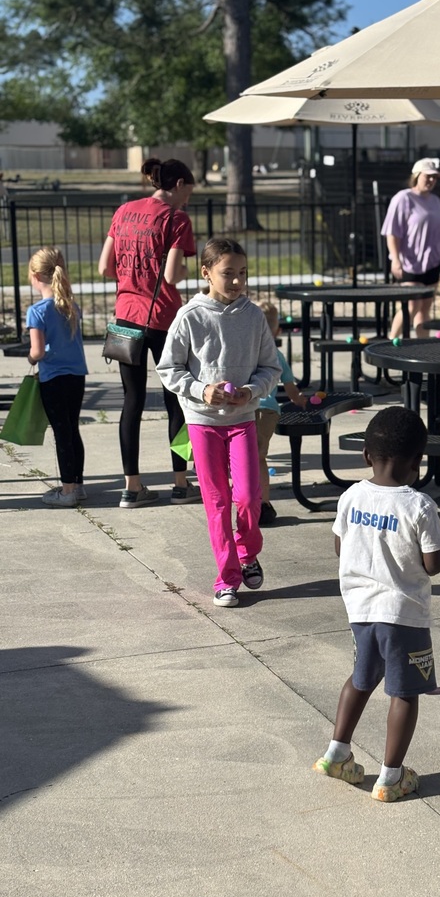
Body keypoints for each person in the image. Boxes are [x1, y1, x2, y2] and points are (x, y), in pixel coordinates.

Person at [313, 406, 440, 803]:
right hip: (403, 614)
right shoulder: (419, 506)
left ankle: (336, 753)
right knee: (404, 692)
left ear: (366, 455)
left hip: (360, 610)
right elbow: (434, 564)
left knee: (361, 679)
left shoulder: (351, 496)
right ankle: (391, 777)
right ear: (418, 461)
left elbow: (340, 547)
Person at [156, 237, 281, 608]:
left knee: (248, 497)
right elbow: (169, 368)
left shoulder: (253, 316)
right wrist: (200, 390)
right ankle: (226, 579)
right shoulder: (190, 316)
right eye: (229, 273)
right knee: (217, 501)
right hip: (202, 422)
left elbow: (271, 368)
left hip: (243, 418)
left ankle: (247, 553)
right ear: (206, 273)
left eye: (243, 272)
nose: (238, 281)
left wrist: (251, 390)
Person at [98, 157, 200, 508]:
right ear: (178, 185)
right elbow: (171, 275)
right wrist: (184, 271)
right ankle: (180, 483)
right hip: (163, 318)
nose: (188, 199)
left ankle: (132, 487)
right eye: (188, 191)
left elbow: (105, 267)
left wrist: (134, 277)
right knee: (176, 400)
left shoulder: (124, 211)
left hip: (126, 316)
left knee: (132, 401)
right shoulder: (177, 219)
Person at [25, 247, 88, 507]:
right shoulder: (71, 306)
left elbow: (38, 351)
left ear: (36, 276)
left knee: (61, 432)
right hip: (76, 375)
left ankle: (67, 490)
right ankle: (79, 485)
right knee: (72, 429)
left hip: (53, 378)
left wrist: (30, 359)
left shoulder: (37, 311)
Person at [381, 158, 440, 339]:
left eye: (434, 177)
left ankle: (423, 346)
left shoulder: (436, 201)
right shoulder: (403, 198)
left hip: (433, 262)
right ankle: (391, 340)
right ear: (416, 176)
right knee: (411, 305)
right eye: (427, 176)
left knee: (425, 307)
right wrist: (395, 259)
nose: (431, 180)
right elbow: (392, 232)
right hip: (410, 263)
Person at [254, 299, 308, 526]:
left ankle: (248, 502)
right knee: (259, 457)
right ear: (277, 331)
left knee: (245, 457)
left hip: (246, 409)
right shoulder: (277, 355)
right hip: (268, 412)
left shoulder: (245, 353)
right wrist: (300, 400)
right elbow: (291, 389)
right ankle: (263, 504)